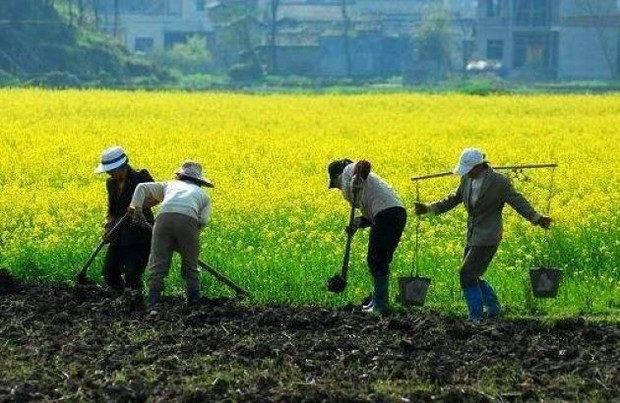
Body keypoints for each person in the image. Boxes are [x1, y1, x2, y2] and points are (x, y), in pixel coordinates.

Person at [414, 147, 552, 322]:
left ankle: (476, 316)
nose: (466, 173)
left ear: (479, 166)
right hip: (472, 234)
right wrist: (428, 208)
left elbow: (518, 201)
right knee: (472, 274)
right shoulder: (466, 179)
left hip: (488, 236)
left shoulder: (498, 182)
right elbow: (453, 199)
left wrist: (537, 218)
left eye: (468, 169)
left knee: (466, 274)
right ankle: (493, 308)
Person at [129, 160, 213, 308]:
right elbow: (203, 220)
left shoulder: (170, 184)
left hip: (164, 219)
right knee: (190, 266)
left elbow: (141, 187)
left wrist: (137, 210)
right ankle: (193, 303)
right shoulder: (203, 196)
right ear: (199, 181)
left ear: (180, 176)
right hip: (189, 221)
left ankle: (153, 302)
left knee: (158, 264)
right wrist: (190, 238)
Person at [328, 158, 407, 314]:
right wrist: (357, 222)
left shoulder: (348, 171)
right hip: (395, 213)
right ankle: (377, 302)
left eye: (335, 185)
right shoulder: (358, 185)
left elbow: (363, 164)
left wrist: (357, 178)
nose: (337, 188)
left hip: (386, 214)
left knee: (376, 260)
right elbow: (370, 216)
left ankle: (380, 305)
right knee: (379, 260)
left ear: (336, 176)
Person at [94, 146, 154, 296]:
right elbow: (112, 209)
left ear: (122, 166)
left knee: (132, 276)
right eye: (108, 171)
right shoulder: (111, 183)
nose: (110, 174)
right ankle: (120, 301)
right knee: (110, 273)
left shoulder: (141, 177)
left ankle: (136, 302)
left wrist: (138, 206)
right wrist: (108, 228)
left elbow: (157, 197)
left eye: (111, 170)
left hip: (139, 232)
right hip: (119, 233)